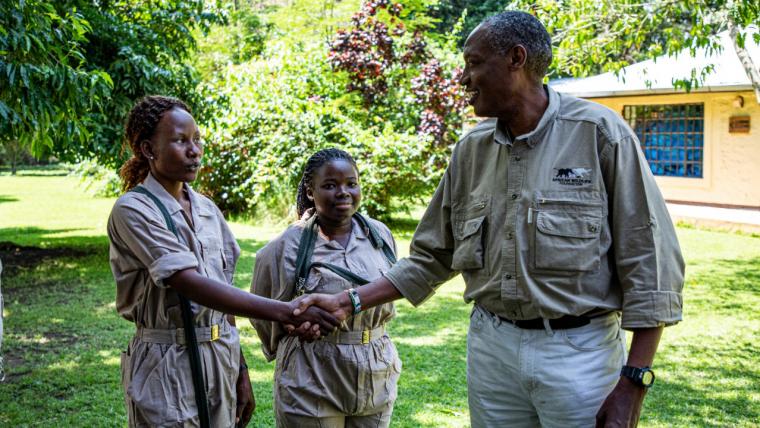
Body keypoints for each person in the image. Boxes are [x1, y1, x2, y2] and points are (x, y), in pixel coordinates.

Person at [294, 11, 685, 428]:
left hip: (579, 352)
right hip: (492, 349)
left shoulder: (599, 134)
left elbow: (651, 261)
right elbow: (431, 257)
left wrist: (634, 380)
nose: (464, 78)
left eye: (474, 63)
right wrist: (347, 301)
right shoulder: (471, 150)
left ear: (516, 59)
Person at [107, 96, 339, 427]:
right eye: (180, 141)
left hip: (220, 355)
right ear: (148, 149)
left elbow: (222, 292)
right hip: (165, 361)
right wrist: (286, 310)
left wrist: (241, 371)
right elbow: (188, 283)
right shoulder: (133, 209)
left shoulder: (206, 209)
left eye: (197, 139)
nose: (194, 150)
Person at [250, 148, 402, 427]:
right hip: (312, 374)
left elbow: (397, 284)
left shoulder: (380, 236)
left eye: (351, 184)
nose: (343, 192)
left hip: (376, 371)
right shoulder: (287, 245)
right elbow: (262, 309)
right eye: (330, 185)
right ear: (311, 192)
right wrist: (290, 329)